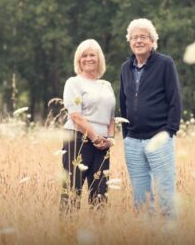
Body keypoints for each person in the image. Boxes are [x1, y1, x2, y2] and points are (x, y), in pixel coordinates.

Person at [119, 18, 182, 218]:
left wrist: (170, 130)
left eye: (143, 37)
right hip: (133, 141)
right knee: (141, 198)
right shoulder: (125, 68)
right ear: (129, 41)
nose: (139, 41)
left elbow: (175, 98)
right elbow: (123, 101)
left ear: (152, 41)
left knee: (165, 193)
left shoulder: (165, 63)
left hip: (159, 137)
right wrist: (126, 135)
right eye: (135, 37)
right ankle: (147, 235)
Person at [60, 39, 116, 211]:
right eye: (84, 56)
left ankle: (97, 234)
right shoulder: (73, 82)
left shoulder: (106, 85)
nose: (89, 58)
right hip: (78, 140)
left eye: (92, 55)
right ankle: (68, 233)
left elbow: (112, 116)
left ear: (99, 58)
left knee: (100, 193)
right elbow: (75, 116)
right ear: (79, 60)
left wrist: (109, 140)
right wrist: (94, 137)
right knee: (72, 190)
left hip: (103, 145)